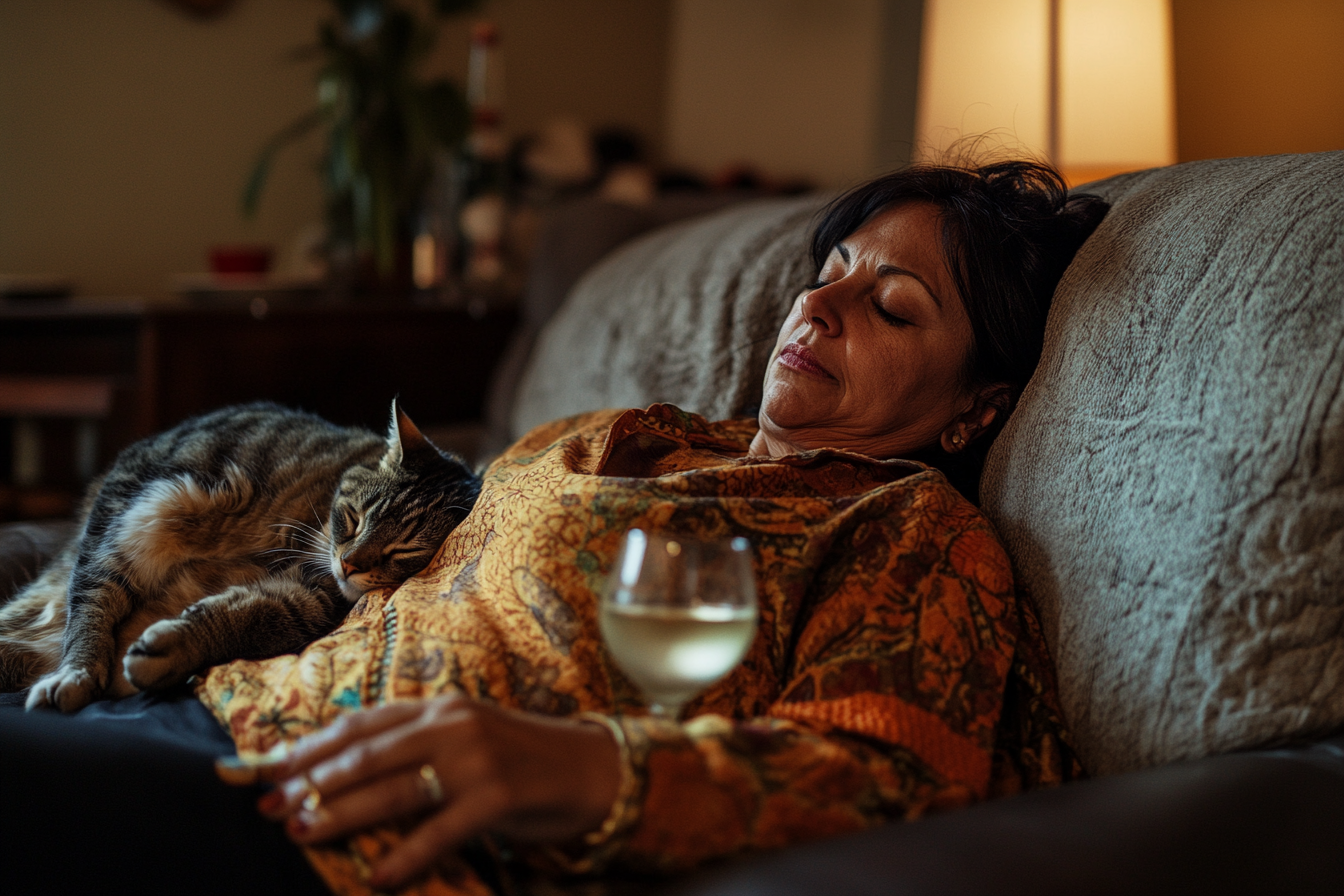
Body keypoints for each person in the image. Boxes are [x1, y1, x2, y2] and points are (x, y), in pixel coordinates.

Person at [0, 159, 1106, 896]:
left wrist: (577, 766)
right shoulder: (640, 432)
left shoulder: (909, 532)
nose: (819, 310)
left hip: (365, 828)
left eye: (892, 304)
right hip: (209, 697)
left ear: (977, 407)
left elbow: (889, 780)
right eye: (829, 276)